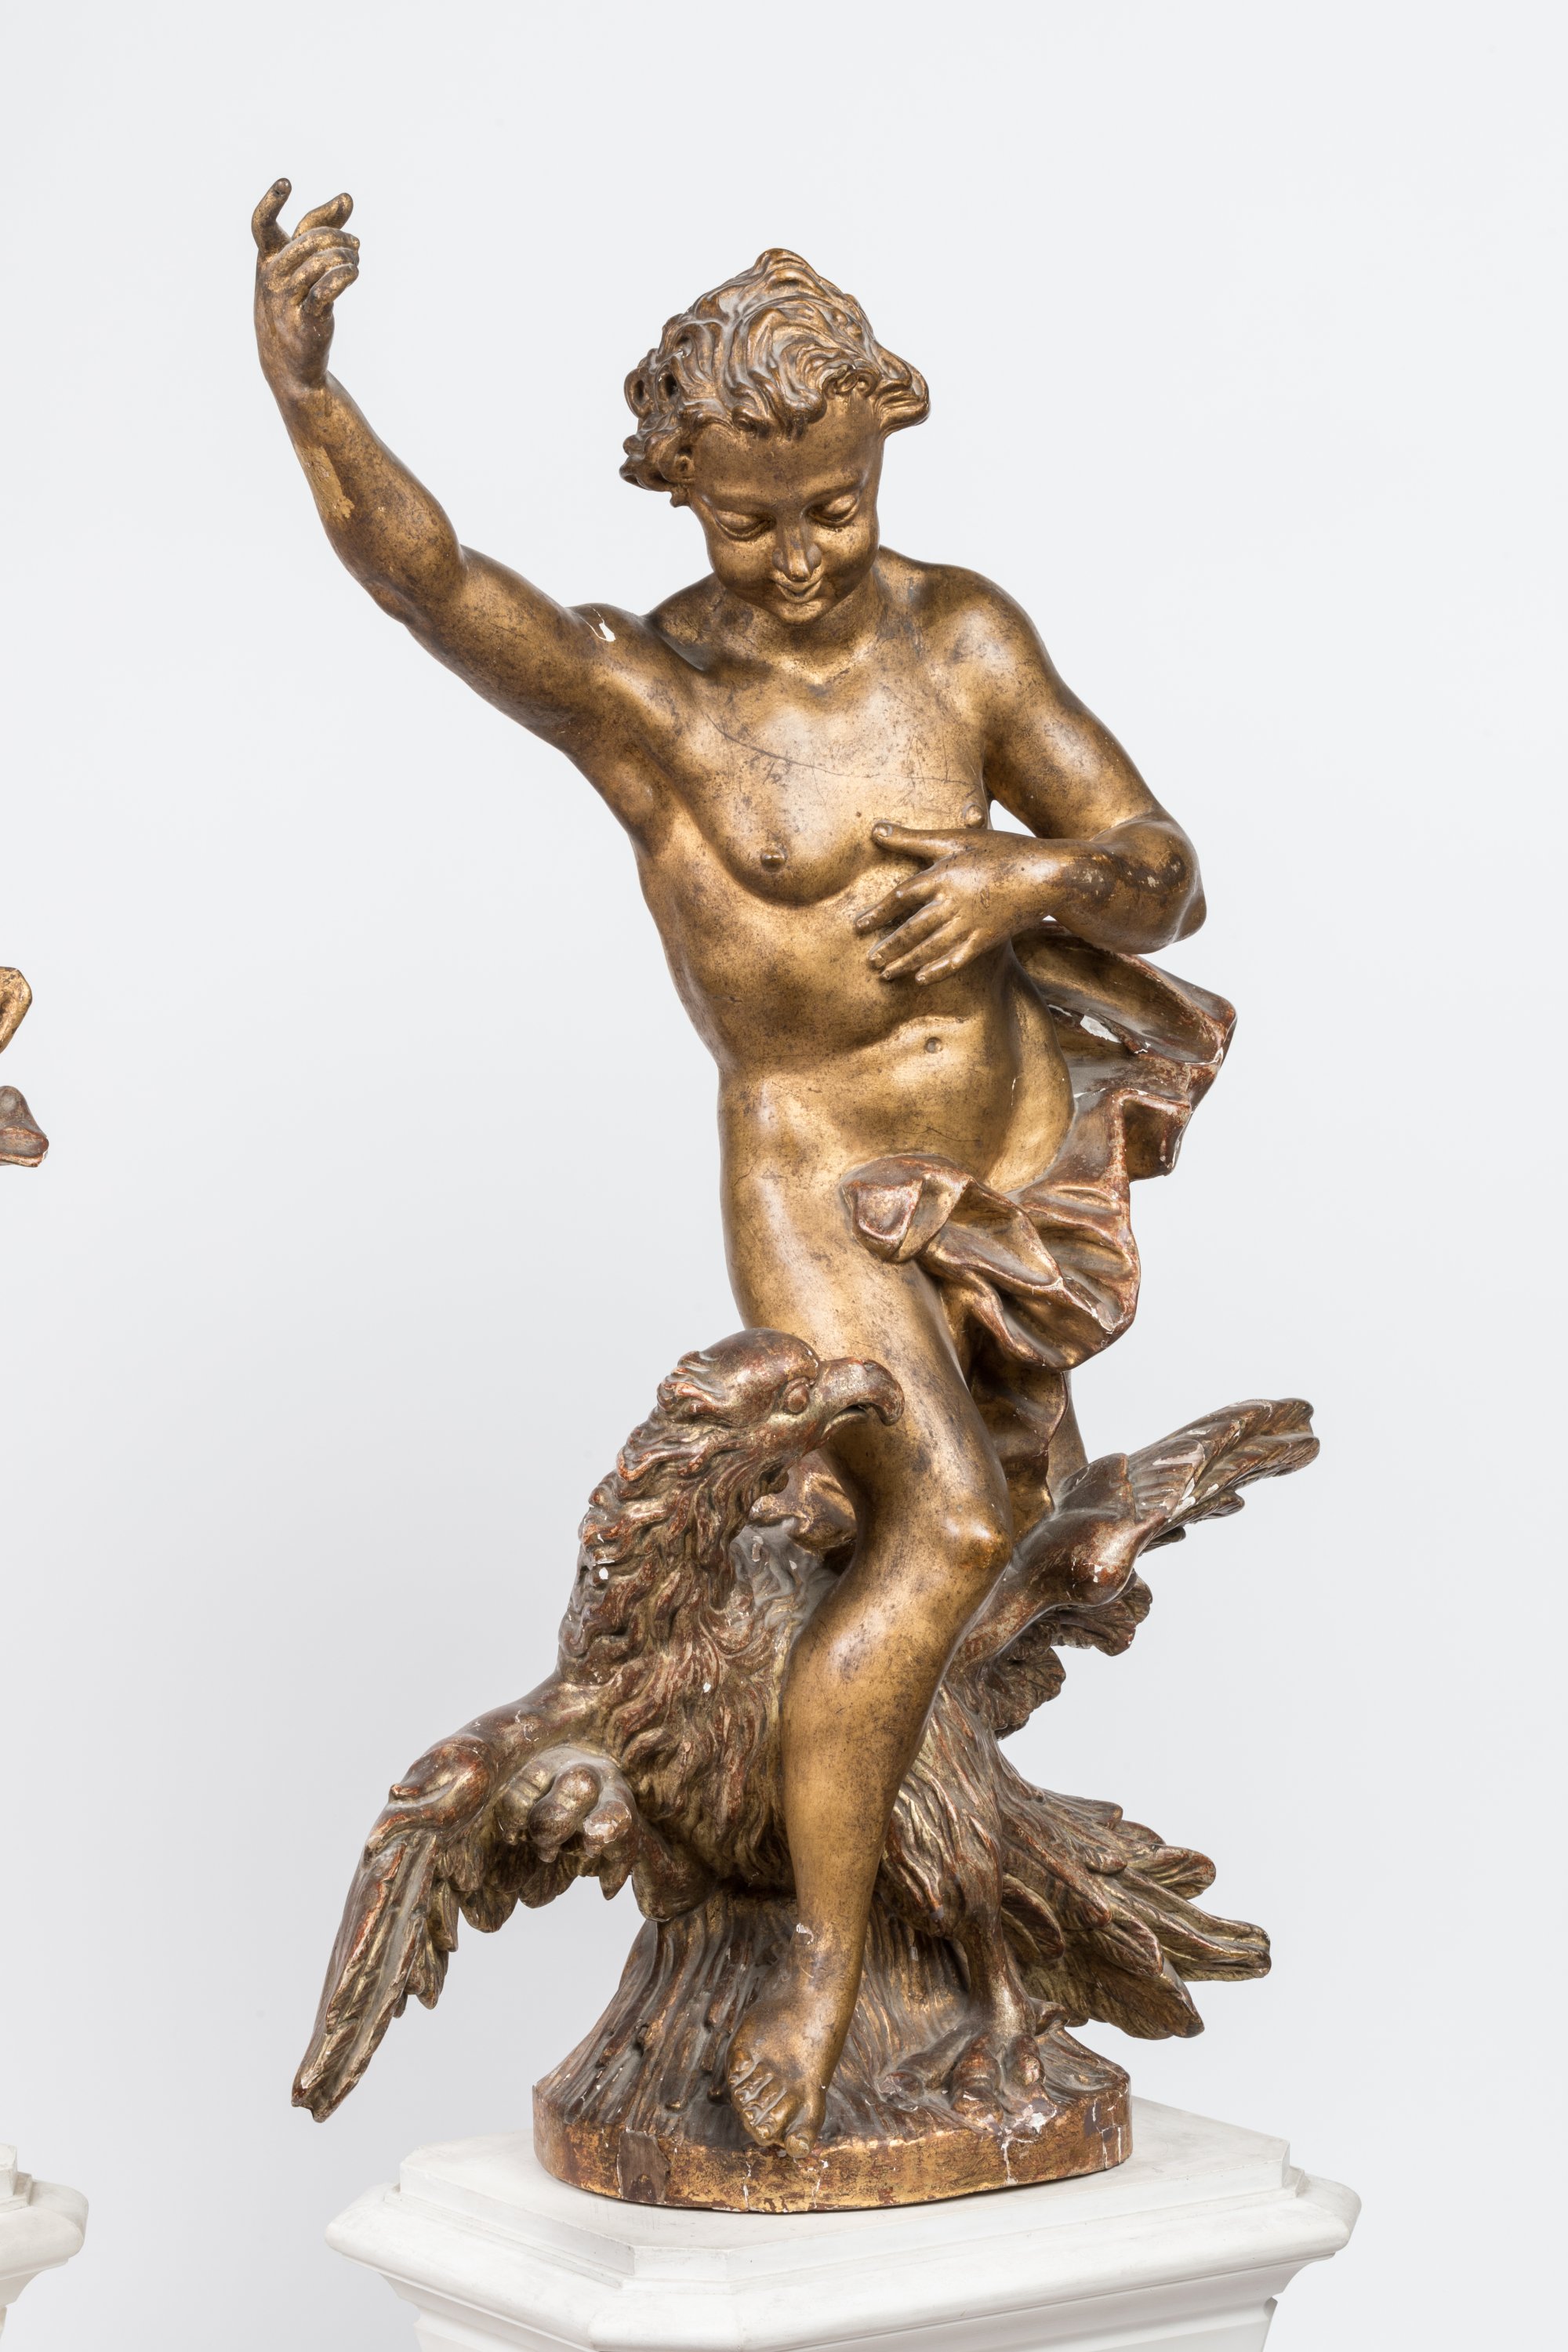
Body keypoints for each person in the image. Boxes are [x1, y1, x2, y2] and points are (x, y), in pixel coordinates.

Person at [252, 183, 1206, 2158]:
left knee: (1002, 1530)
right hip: (814, 1163)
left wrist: (1028, 873)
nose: (797, 555)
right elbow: (431, 580)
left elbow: (1160, 874)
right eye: (749, 520)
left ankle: (925, 1894)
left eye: (832, 508)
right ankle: (819, 1962)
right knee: (940, 1522)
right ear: (680, 494)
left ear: (883, 455)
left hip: (1012, 1149)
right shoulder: (650, 698)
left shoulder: (963, 638)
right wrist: (310, 391)